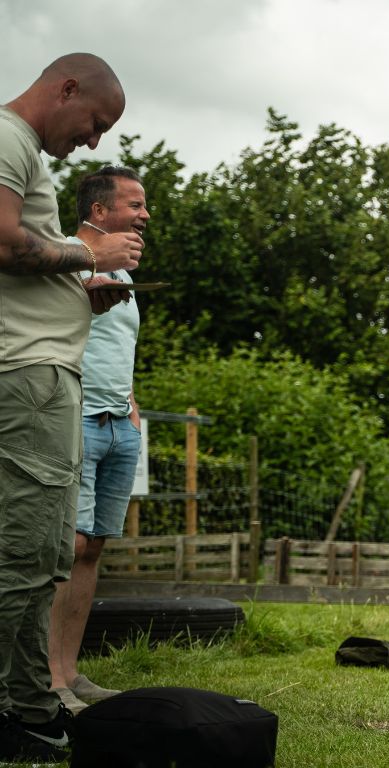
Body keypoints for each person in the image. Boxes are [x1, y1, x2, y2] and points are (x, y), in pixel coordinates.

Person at [0, 54, 142, 763]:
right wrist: (88, 256)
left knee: (45, 554)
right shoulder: (5, 139)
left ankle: (31, 709)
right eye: (94, 122)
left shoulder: (23, 152)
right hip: (24, 378)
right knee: (23, 554)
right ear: (65, 90)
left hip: (49, 376)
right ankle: (10, 710)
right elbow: (0, 240)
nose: (91, 142)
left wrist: (77, 292)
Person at [47, 167, 149, 714]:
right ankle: (48, 680)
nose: (144, 214)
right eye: (134, 204)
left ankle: (71, 671)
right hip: (75, 416)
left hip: (118, 425)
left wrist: (131, 404)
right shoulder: (62, 257)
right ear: (100, 211)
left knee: (95, 548)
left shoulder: (125, 274)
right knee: (70, 547)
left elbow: (118, 345)